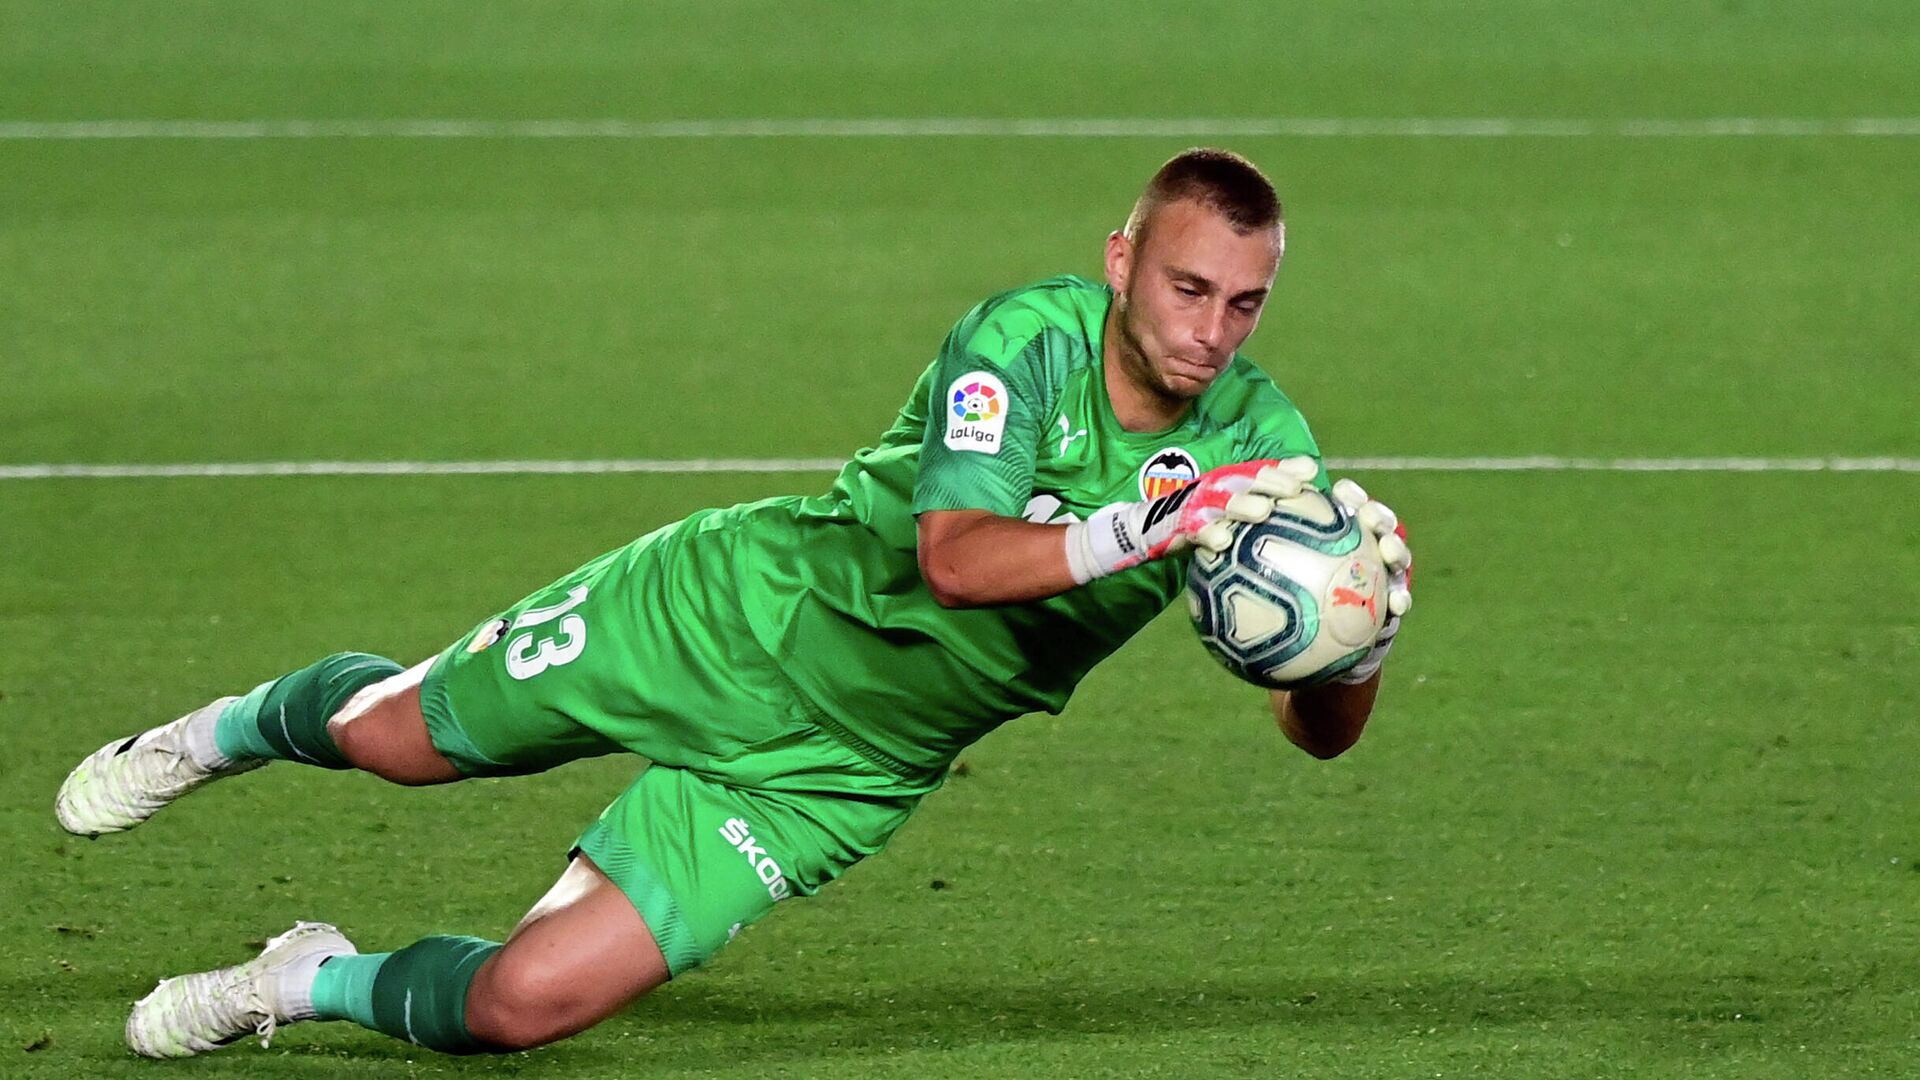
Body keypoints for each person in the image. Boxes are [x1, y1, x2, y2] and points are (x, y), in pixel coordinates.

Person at [55, 147, 1412, 1059]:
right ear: (1121, 262)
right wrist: (1139, 527)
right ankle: (214, 736)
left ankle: (295, 977)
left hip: (842, 770)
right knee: (388, 741)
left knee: (523, 1007)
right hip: (727, 616)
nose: (1213, 334)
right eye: (1189, 290)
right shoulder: (1022, 342)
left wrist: (1354, 643)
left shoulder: (1263, 448)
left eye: (1246, 304)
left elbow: (1317, 732)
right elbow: (952, 557)